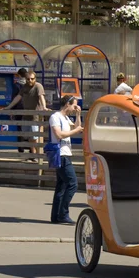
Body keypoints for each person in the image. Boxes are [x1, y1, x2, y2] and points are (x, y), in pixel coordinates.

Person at [49, 95, 83, 224]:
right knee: (72, 183)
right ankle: (63, 213)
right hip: (61, 154)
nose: (75, 108)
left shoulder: (66, 118)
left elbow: (76, 129)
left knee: (61, 186)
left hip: (66, 153)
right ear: (67, 104)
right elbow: (59, 135)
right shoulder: (56, 117)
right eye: (74, 105)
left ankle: (56, 216)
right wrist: (76, 131)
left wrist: (78, 116)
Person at [4, 71, 48, 160]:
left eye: (32, 79)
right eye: (28, 79)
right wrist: (9, 107)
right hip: (26, 116)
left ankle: (38, 155)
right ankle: (33, 155)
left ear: (35, 79)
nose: (30, 80)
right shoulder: (24, 87)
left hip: (36, 116)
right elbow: (18, 97)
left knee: (35, 137)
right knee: (28, 136)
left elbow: (41, 96)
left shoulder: (38, 86)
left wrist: (44, 107)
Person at [11, 68, 28, 153]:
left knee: (20, 129)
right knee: (29, 128)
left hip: (19, 109)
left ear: (19, 75)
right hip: (29, 109)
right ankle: (32, 150)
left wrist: (11, 111)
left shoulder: (16, 85)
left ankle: (21, 149)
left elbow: (14, 98)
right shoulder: (30, 85)